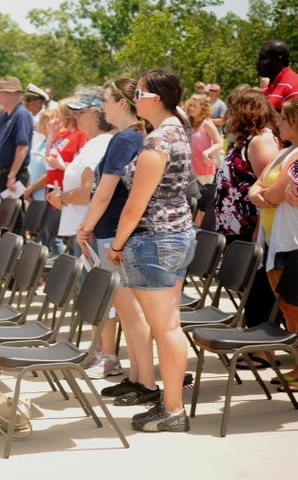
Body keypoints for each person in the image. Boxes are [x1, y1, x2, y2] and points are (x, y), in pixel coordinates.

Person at [107, 69, 196, 432]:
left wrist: (116, 245)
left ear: (155, 98)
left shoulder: (159, 141)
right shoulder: (178, 129)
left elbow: (135, 205)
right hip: (177, 235)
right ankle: (170, 404)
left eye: (140, 93)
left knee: (166, 328)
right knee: (168, 326)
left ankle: (173, 409)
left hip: (155, 239)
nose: (136, 99)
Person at [76, 78, 154, 402]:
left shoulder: (125, 138)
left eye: (107, 100)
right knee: (127, 312)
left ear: (122, 103)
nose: (103, 106)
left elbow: (105, 192)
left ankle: (146, 384)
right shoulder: (131, 136)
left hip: (113, 234)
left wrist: (86, 226)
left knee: (131, 313)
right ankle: (136, 378)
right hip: (117, 233)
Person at [215, 87, 280, 357]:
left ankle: (263, 350)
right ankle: (258, 345)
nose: (228, 115)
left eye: (232, 109)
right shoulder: (247, 140)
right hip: (236, 227)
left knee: (259, 290)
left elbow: (265, 184)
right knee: (251, 289)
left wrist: (256, 231)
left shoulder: (260, 142)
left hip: (250, 227)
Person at [248, 97, 298, 388]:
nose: (277, 124)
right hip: (273, 239)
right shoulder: (284, 153)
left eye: (282, 120)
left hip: (290, 240)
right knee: (289, 309)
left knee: (295, 306)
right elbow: (259, 188)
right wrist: (261, 195)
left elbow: (273, 195)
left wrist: (263, 195)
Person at [48, 90, 114, 256]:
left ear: (95, 115)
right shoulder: (95, 144)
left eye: (81, 112)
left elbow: (87, 194)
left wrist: (61, 198)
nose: (75, 116)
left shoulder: (97, 145)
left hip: (89, 234)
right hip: (86, 231)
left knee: (90, 281)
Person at [0, 76, 33, 197]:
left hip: (15, 175)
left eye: (2, 93)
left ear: (14, 94)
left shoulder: (21, 114)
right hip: (5, 174)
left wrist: (12, 175)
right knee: (4, 213)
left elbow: (22, 147)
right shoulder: (6, 115)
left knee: (12, 213)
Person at [183, 94, 224, 185]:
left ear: (203, 109)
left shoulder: (207, 124)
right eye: (190, 105)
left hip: (204, 171)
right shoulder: (187, 124)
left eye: (195, 106)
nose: (191, 108)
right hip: (188, 171)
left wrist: (207, 152)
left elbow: (220, 143)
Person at [257, 39, 298, 112]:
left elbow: (294, 122)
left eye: (263, 58)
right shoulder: (266, 88)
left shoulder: (292, 86)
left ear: (278, 60)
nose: (257, 62)